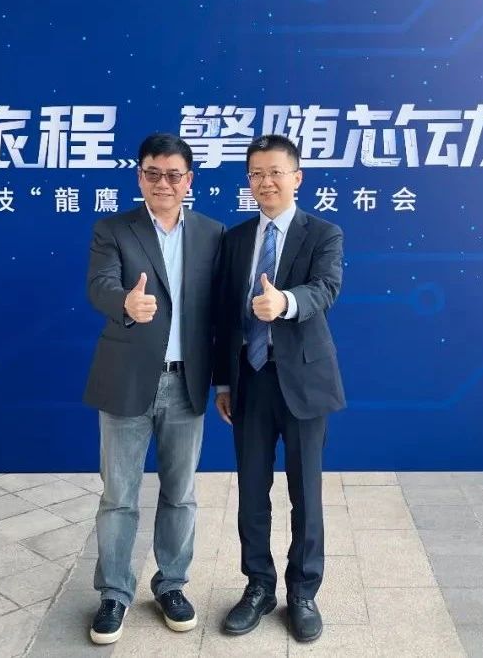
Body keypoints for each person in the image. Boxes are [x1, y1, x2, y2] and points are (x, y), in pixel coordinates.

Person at [83, 133, 224, 644]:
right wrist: (125, 302)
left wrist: (225, 379)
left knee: (180, 494)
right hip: (127, 378)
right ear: (139, 176)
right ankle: (114, 593)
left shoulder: (212, 233)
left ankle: (171, 585)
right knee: (119, 495)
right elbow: (99, 285)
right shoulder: (113, 229)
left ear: (189, 180)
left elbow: (220, 312)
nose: (162, 183)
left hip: (188, 382)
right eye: (152, 173)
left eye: (173, 175)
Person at [213, 134, 345, 643]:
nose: (265, 182)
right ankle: (258, 587)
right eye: (256, 174)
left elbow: (325, 289)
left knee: (305, 491)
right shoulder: (234, 239)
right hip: (249, 380)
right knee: (251, 490)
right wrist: (223, 382)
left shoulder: (323, 233)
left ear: (297, 178)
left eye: (275, 172)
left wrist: (285, 302)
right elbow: (224, 316)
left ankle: (304, 592)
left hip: (305, 381)